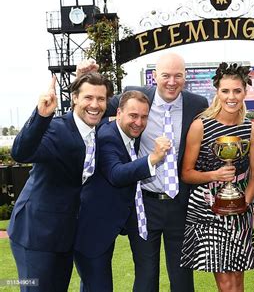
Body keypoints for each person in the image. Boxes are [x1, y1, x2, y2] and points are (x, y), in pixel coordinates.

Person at [105, 52, 208, 292]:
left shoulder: (197, 104)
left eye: (178, 76)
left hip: (180, 203)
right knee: (146, 276)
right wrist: (85, 77)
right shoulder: (137, 96)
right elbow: (96, 104)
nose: (172, 81)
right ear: (154, 77)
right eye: (166, 76)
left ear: (185, 77)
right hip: (144, 204)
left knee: (183, 279)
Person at [8, 72, 113, 291]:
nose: (95, 104)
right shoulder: (55, 128)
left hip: (65, 236)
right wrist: (41, 116)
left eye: (101, 99)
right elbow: (20, 152)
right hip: (36, 236)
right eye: (88, 98)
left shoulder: (96, 131)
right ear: (74, 98)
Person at [74, 90, 171, 291]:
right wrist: (152, 159)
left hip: (116, 219)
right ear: (118, 113)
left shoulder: (131, 134)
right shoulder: (107, 136)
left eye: (144, 117)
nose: (139, 122)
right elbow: (116, 174)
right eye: (133, 115)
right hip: (92, 227)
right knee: (98, 286)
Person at [180, 62, 254, 292]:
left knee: (237, 277)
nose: (231, 96)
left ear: (245, 91)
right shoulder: (200, 126)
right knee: (225, 281)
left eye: (237, 90)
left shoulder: (252, 130)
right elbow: (186, 173)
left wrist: (243, 202)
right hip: (208, 208)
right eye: (225, 91)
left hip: (240, 208)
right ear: (217, 92)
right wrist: (214, 174)